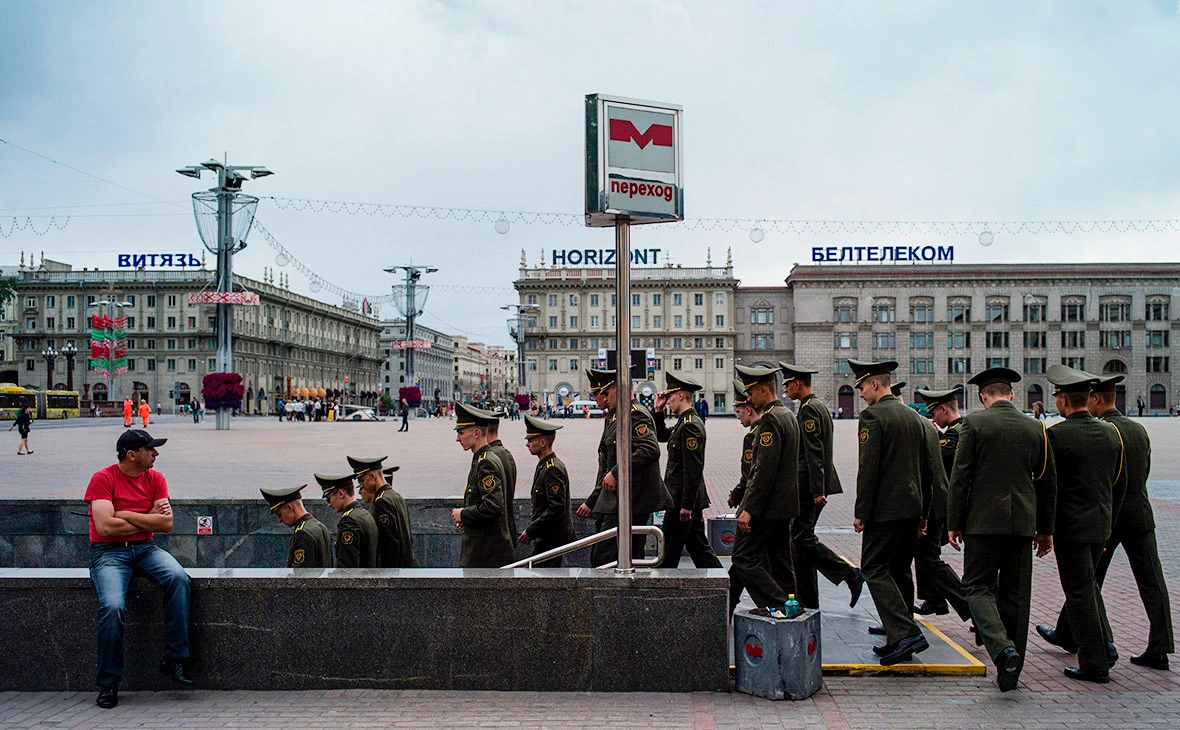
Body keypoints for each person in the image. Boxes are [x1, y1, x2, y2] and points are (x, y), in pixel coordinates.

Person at [947, 367, 1056, 692]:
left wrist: (954, 522)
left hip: (982, 523)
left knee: (977, 587)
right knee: (1016, 596)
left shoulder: (975, 424)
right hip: (1023, 524)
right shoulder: (1035, 427)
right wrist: (1045, 529)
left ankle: (1000, 647)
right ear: (1012, 395)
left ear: (983, 396)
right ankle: (1011, 674)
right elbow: (1047, 482)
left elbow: (960, 476)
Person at [1060, 374, 1172, 669]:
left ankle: (1103, 642)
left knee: (1088, 580)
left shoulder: (1105, 431)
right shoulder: (1139, 429)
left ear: (1096, 399)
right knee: (1152, 580)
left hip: (1108, 516)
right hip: (1140, 515)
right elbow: (1143, 471)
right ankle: (1160, 646)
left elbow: (1110, 478)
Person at [84, 429, 193, 709]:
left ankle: (175, 657)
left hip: (145, 549)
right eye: (150, 449)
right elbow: (105, 527)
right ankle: (108, 682)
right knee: (112, 606)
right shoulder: (103, 479)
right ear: (131, 455)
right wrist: (148, 519)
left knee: (179, 578)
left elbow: (166, 525)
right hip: (108, 553)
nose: (156, 453)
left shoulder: (156, 478)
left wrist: (124, 514)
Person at [1035, 364, 1123, 683]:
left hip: (1069, 527)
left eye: (1057, 395)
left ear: (1063, 400)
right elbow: (1118, 482)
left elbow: (1048, 486)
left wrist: (1044, 530)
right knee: (1088, 587)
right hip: (1100, 524)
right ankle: (1103, 645)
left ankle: (1095, 662)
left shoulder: (1057, 435)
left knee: (1079, 592)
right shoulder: (1110, 432)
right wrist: (1108, 521)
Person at [849, 358, 935, 666]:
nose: (860, 393)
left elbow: (868, 469)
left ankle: (906, 632)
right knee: (899, 570)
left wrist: (861, 511)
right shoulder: (914, 418)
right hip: (912, 508)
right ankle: (900, 639)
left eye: (861, 387)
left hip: (885, 510)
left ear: (874, 383)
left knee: (873, 569)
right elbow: (927, 470)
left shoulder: (873, 416)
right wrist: (924, 511)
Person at [780, 363, 863, 609]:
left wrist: (818, 490)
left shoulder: (809, 410)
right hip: (810, 482)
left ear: (797, 383)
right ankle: (808, 600)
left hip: (808, 484)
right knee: (799, 542)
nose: (785, 390)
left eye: (787, 384)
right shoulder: (816, 407)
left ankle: (849, 574)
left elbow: (814, 451)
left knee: (801, 537)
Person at [576, 368, 672, 567]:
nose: (601, 398)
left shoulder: (634, 414)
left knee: (607, 556)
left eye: (605, 392)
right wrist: (593, 500)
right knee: (617, 556)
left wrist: (616, 473)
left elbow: (650, 449)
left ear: (618, 389)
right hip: (619, 499)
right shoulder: (615, 415)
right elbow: (606, 465)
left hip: (632, 500)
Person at [730, 364, 799, 614]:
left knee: (743, 557)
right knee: (781, 561)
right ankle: (792, 606)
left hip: (766, 507)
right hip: (784, 505)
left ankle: (778, 605)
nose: (747, 398)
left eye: (750, 392)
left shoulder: (770, 419)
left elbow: (763, 471)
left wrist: (749, 509)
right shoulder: (788, 416)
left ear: (762, 389)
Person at [911, 388, 971, 623]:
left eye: (934, 412)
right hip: (940, 503)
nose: (933, 418)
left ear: (944, 409)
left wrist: (931, 435)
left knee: (929, 556)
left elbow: (935, 457)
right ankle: (934, 598)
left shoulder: (956, 434)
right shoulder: (953, 431)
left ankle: (970, 606)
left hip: (942, 505)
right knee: (925, 553)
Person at [652, 371, 722, 569]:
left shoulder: (690, 425)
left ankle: (660, 594)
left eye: (670, 397)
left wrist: (687, 506)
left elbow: (693, 469)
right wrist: (657, 412)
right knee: (698, 547)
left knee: (668, 551)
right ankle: (726, 590)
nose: (667, 402)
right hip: (683, 499)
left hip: (682, 501)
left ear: (681, 395)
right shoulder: (684, 422)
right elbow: (662, 435)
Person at [450, 402, 515, 568]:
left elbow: (492, 506)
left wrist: (463, 514)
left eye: (461, 433)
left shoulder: (486, 462)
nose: (457, 438)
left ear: (476, 433)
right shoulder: (482, 458)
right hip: (485, 551)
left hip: (486, 554)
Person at [518, 414, 576, 566]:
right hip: (547, 535)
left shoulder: (552, 469)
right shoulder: (544, 465)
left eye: (530, 440)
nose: (527, 444)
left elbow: (556, 507)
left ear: (542, 442)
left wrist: (531, 531)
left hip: (551, 538)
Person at [349, 456, 419, 568]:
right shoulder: (394, 495)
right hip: (407, 567)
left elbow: (389, 544)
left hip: (396, 571)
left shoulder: (382, 502)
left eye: (362, 480)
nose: (361, 485)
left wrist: (385, 576)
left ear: (372, 476)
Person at [315, 472, 379, 568]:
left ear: (341, 493)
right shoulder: (364, 514)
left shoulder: (349, 521)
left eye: (329, 499)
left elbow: (346, 567)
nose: (328, 504)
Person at [261, 484, 332, 568]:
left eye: (279, 514)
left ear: (290, 507)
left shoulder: (303, 533)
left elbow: (301, 576)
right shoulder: (320, 526)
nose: (279, 520)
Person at [485, 415, 519, 544]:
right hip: (507, 531)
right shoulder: (505, 453)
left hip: (495, 538)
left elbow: (492, 504)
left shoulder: (490, 458)